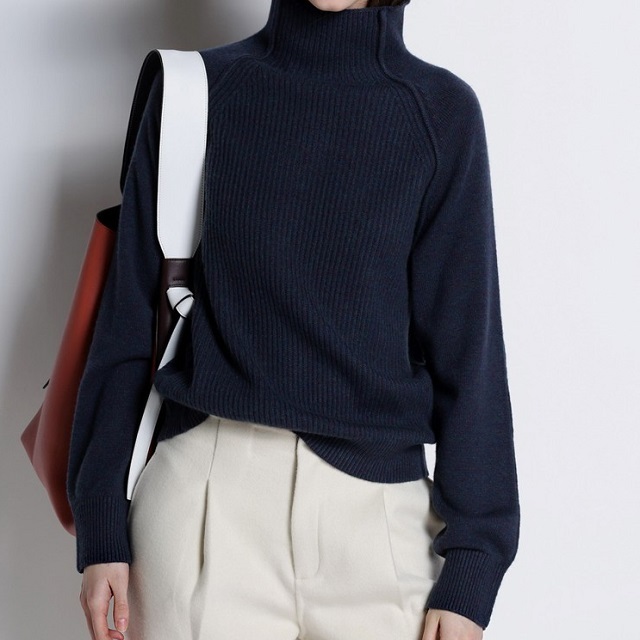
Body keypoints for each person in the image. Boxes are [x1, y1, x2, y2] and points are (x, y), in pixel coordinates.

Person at [66, 0, 521, 638]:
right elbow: (127, 324)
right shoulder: (196, 93)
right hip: (203, 502)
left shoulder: (441, 113)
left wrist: (475, 560)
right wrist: (101, 522)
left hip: (381, 524)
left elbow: (468, 352)